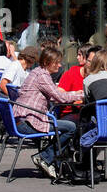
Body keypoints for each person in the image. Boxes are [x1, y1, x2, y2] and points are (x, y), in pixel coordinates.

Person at [14, 44, 84, 180]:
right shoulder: (42, 75)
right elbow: (60, 97)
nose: (59, 66)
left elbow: (53, 95)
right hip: (28, 122)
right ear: (47, 63)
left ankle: (49, 159)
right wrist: (80, 95)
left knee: (62, 124)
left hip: (22, 119)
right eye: (57, 63)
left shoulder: (37, 72)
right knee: (71, 127)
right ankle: (46, 158)